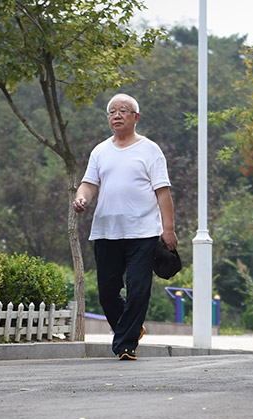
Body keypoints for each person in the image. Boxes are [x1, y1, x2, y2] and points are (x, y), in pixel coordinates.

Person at [73, 93, 178, 361]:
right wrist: (82, 197)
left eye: (123, 110)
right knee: (107, 291)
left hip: (143, 232)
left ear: (136, 117)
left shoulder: (150, 150)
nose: (116, 115)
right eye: (111, 111)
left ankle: (125, 345)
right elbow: (89, 183)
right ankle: (131, 327)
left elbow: (162, 192)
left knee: (138, 288)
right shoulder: (100, 151)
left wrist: (168, 230)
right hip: (107, 231)